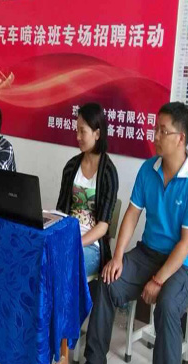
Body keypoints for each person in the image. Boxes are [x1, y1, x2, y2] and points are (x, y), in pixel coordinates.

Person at [84, 102, 188, 364]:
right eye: (155, 129)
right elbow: (132, 214)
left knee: (167, 304)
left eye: (163, 131)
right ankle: (94, 360)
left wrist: (159, 279)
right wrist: (117, 257)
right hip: (147, 253)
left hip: (182, 265)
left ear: (180, 138)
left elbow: (187, 243)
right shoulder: (148, 169)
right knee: (107, 282)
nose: (155, 136)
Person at [56, 103, 119, 277]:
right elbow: (60, 211)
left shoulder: (108, 173)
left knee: (65, 265)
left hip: (92, 246)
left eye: (82, 131)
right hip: (68, 238)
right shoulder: (71, 167)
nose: (77, 137)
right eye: (76, 130)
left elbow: (103, 226)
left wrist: (76, 242)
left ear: (97, 134)